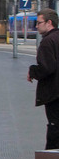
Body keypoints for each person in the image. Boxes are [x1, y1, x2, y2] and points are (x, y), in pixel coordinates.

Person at [27, 8, 59, 149]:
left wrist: (33, 71)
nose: (36, 26)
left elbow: (47, 67)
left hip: (54, 93)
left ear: (49, 22)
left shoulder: (47, 42)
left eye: (39, 23)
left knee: (54, 126)